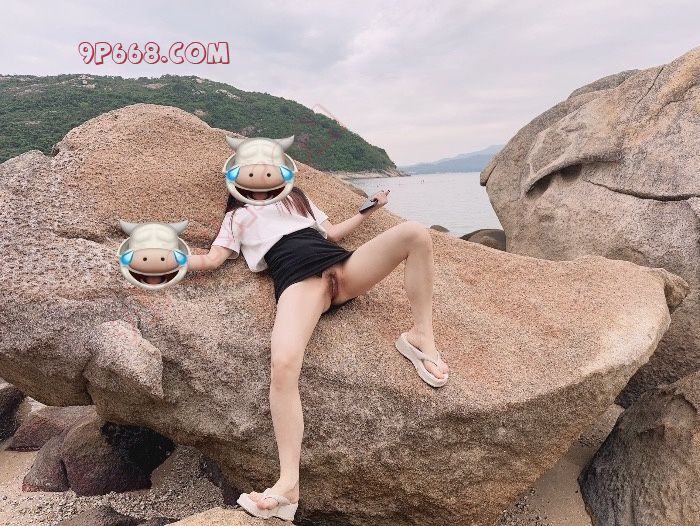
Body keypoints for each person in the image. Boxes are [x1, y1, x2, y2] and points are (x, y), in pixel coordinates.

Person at [186, 185, 450, 520]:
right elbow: (211, 260)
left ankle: (420, 336)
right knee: (283, 364)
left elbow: (332, 233)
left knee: (415, 233)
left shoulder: (295, 198)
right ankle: (288, 485)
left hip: (343, 266)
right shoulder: (236, 217)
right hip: (299, 282)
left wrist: (369, 208)